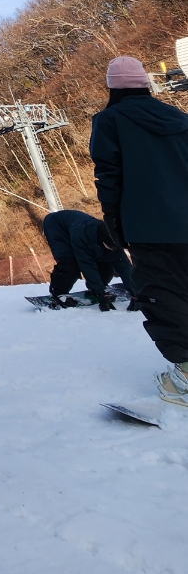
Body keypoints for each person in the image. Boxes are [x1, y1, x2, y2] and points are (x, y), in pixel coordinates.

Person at [90, 55, 188, 405]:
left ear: (112, 87)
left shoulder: (110, 120)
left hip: (149, 224)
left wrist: (114, 221)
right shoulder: (178, 117)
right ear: (146, 83)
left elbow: (109, 174)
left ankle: (186, 379)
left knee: (163, 293)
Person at [42, 208, 133, 309]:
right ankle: (58, 292)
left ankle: (96, 288)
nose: (112, 250)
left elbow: (124, 266)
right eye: (109, 247)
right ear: (102, 242)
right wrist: (100, 294)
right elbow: (87, 265)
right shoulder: (82, 236)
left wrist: (135, 293)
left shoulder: (115, 240)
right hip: (57, 228)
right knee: (70, 263)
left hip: (78, 228)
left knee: (107, 261)